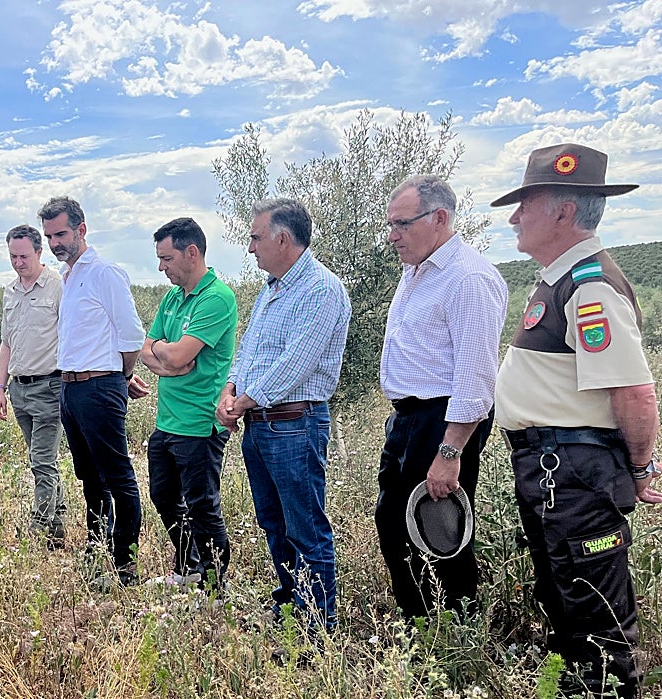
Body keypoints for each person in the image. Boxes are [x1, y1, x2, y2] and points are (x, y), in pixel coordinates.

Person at [492, 143, 658, 699]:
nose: (513, 217)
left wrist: (640, 469)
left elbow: (634, 392)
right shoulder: (559, 280)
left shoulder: (590, 287)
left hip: (576, 472)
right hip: (552, 468)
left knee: (595, 609)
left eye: (525, 204)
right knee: (564, 592)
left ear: (563, 211)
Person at [377, 175, 508, 617]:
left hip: (443, 419)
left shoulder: (467, 277)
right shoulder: (417, 270)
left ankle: (456, 632)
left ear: (439, 218)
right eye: (389, 224)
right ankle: (418, 625)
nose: (392, 235)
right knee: (395, 523)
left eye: (401, 224)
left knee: (439, 532)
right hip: (411, 418)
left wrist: (449, 450)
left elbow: (475, 378)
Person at [216, 198, 350, 630]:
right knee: (275, 524)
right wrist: (230, 388)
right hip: (262, 425)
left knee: (305, 527)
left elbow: (298, 363)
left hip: (294, 424)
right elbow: (250, 352)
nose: (251, 247)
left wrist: (243, 400)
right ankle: (290, 609)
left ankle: (316, 630)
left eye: (255, 238)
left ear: (282, 239)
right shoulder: (272, 290)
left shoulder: (321, 290)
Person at [39, 196, 147, 588]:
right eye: (49, 236)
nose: (54, 243)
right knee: (89, 477)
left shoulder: (104, 273)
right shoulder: (69, 277)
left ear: (82, 230)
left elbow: (132, 335)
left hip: (99, 386)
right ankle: (96, 550)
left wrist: (120, 377)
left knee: (118, 476)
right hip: (70, 388)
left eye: (61, 234)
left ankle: (124, 565)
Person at [140, 217, 237, 589]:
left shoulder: (217, 298)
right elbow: (148, 350)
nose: (161, 267)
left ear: (191, 253)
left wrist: (166, 356)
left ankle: (214, 586)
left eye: (166, 258)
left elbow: (176, 356)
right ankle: (186, 569)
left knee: (202, 507)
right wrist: (166, 358)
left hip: (199, 422)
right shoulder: (173, 297)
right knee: (163, 496)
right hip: (167, 421)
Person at [0, 224, 66, 546]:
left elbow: (73, 337)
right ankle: (58, 521)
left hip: (50, 388)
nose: (18, 262)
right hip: (19, 390)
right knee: (41, 459)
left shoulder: (58, 286)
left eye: (23, 256)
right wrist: (0, 388)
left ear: (39, 252)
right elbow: (6, 343)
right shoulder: (10, 291)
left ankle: (40, 522)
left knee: (41, 459)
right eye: (12, 256)